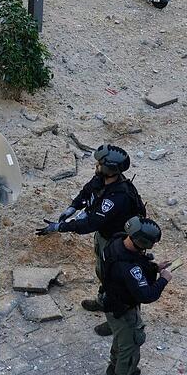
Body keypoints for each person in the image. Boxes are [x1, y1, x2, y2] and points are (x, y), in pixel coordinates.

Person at [35, 144, 146, 336]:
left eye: (100, 163)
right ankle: (103, 302)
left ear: (110, 168)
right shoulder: (104, 179)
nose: (96, 165)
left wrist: (59, 227)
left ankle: (117, 321)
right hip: (106, 236)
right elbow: (88, 191)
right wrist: (72, 207)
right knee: (103, 272)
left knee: (119, 283)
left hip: (120, 245)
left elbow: (89, 224)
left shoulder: (118, 197)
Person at [99, 216, 172, 375]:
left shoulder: (117, 241)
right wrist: (163, 279)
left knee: (119, 338)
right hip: (124, 310)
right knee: (129, 349)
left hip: (111, 302)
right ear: (142, 242)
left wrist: (154, 268)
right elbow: (146, 294)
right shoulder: (129, 268)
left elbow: (134, 262)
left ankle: (113, 368)